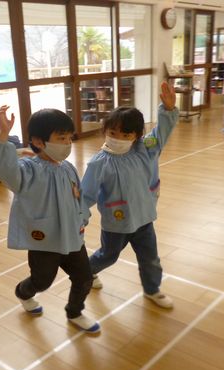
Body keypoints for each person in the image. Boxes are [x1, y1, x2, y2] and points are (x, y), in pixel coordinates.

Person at [0, 106, 100, 333]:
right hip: (44, 241)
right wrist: (3, 137)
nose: (67, 143)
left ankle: (75, 312)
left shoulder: (68, 167)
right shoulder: (27, 170)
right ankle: (23, 292)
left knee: (84, 278)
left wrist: (82, 218)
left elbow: (77, 196)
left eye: (69, 138)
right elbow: (3, 169)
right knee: (42, 281)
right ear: (38, 141)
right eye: (61, 138)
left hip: (71, 236)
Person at [80, 82, 179, 309]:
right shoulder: (99, 163)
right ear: (105, 130)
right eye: (113, 133)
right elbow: (86, 195)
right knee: (108, 255)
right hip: (117, 223)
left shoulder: (145, 149)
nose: (118, 138)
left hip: (143, 219)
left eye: (126, 134)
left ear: (136, 135)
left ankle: (152, 290)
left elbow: (161, 134)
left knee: (150, 258)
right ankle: (88, 272)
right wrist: (79, 218)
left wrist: (168, 111)